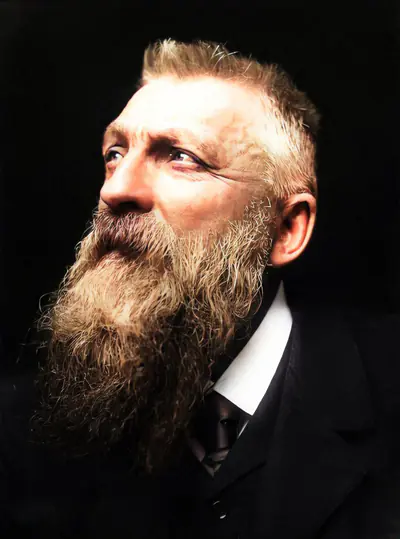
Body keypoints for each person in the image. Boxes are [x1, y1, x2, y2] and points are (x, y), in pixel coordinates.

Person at [1, 39, 400, 539]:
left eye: (181, 157)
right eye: (115, 153)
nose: (114, 189)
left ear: (285, 229)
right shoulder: (19, 433)